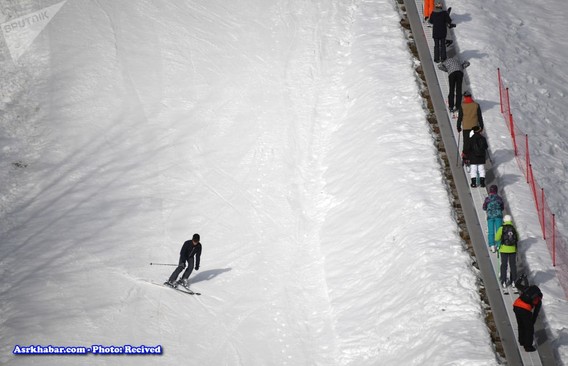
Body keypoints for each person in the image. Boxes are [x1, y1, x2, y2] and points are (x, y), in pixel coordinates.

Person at [513, 275, 543, 352]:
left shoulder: (527, 289)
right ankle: (528, 347)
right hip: (525, 310)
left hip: (516, 306)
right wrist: (532, 322)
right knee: (529, 329)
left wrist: (520, 278)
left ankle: (521, 341)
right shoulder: (538, 301)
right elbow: (535, 313)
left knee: (521, 325)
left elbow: (517, 284)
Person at [495, 215, 518, 290]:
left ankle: (504, 281)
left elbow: (496, 238)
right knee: (513, 265)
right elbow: (518, 237)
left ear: (504, 220)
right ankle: (513, 281)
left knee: (504, 265)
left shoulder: (501, 228)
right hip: (512, 250)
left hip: (504, 249)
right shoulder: (513, 228)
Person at [483, 185, 504, 252]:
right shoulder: (499, 198)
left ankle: (492, 245)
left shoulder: (487, 199)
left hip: (490, 216)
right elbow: (502, 207)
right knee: (499, 231)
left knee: (491, 231)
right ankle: (499, 245)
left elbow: (484, 207)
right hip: (498, 216)